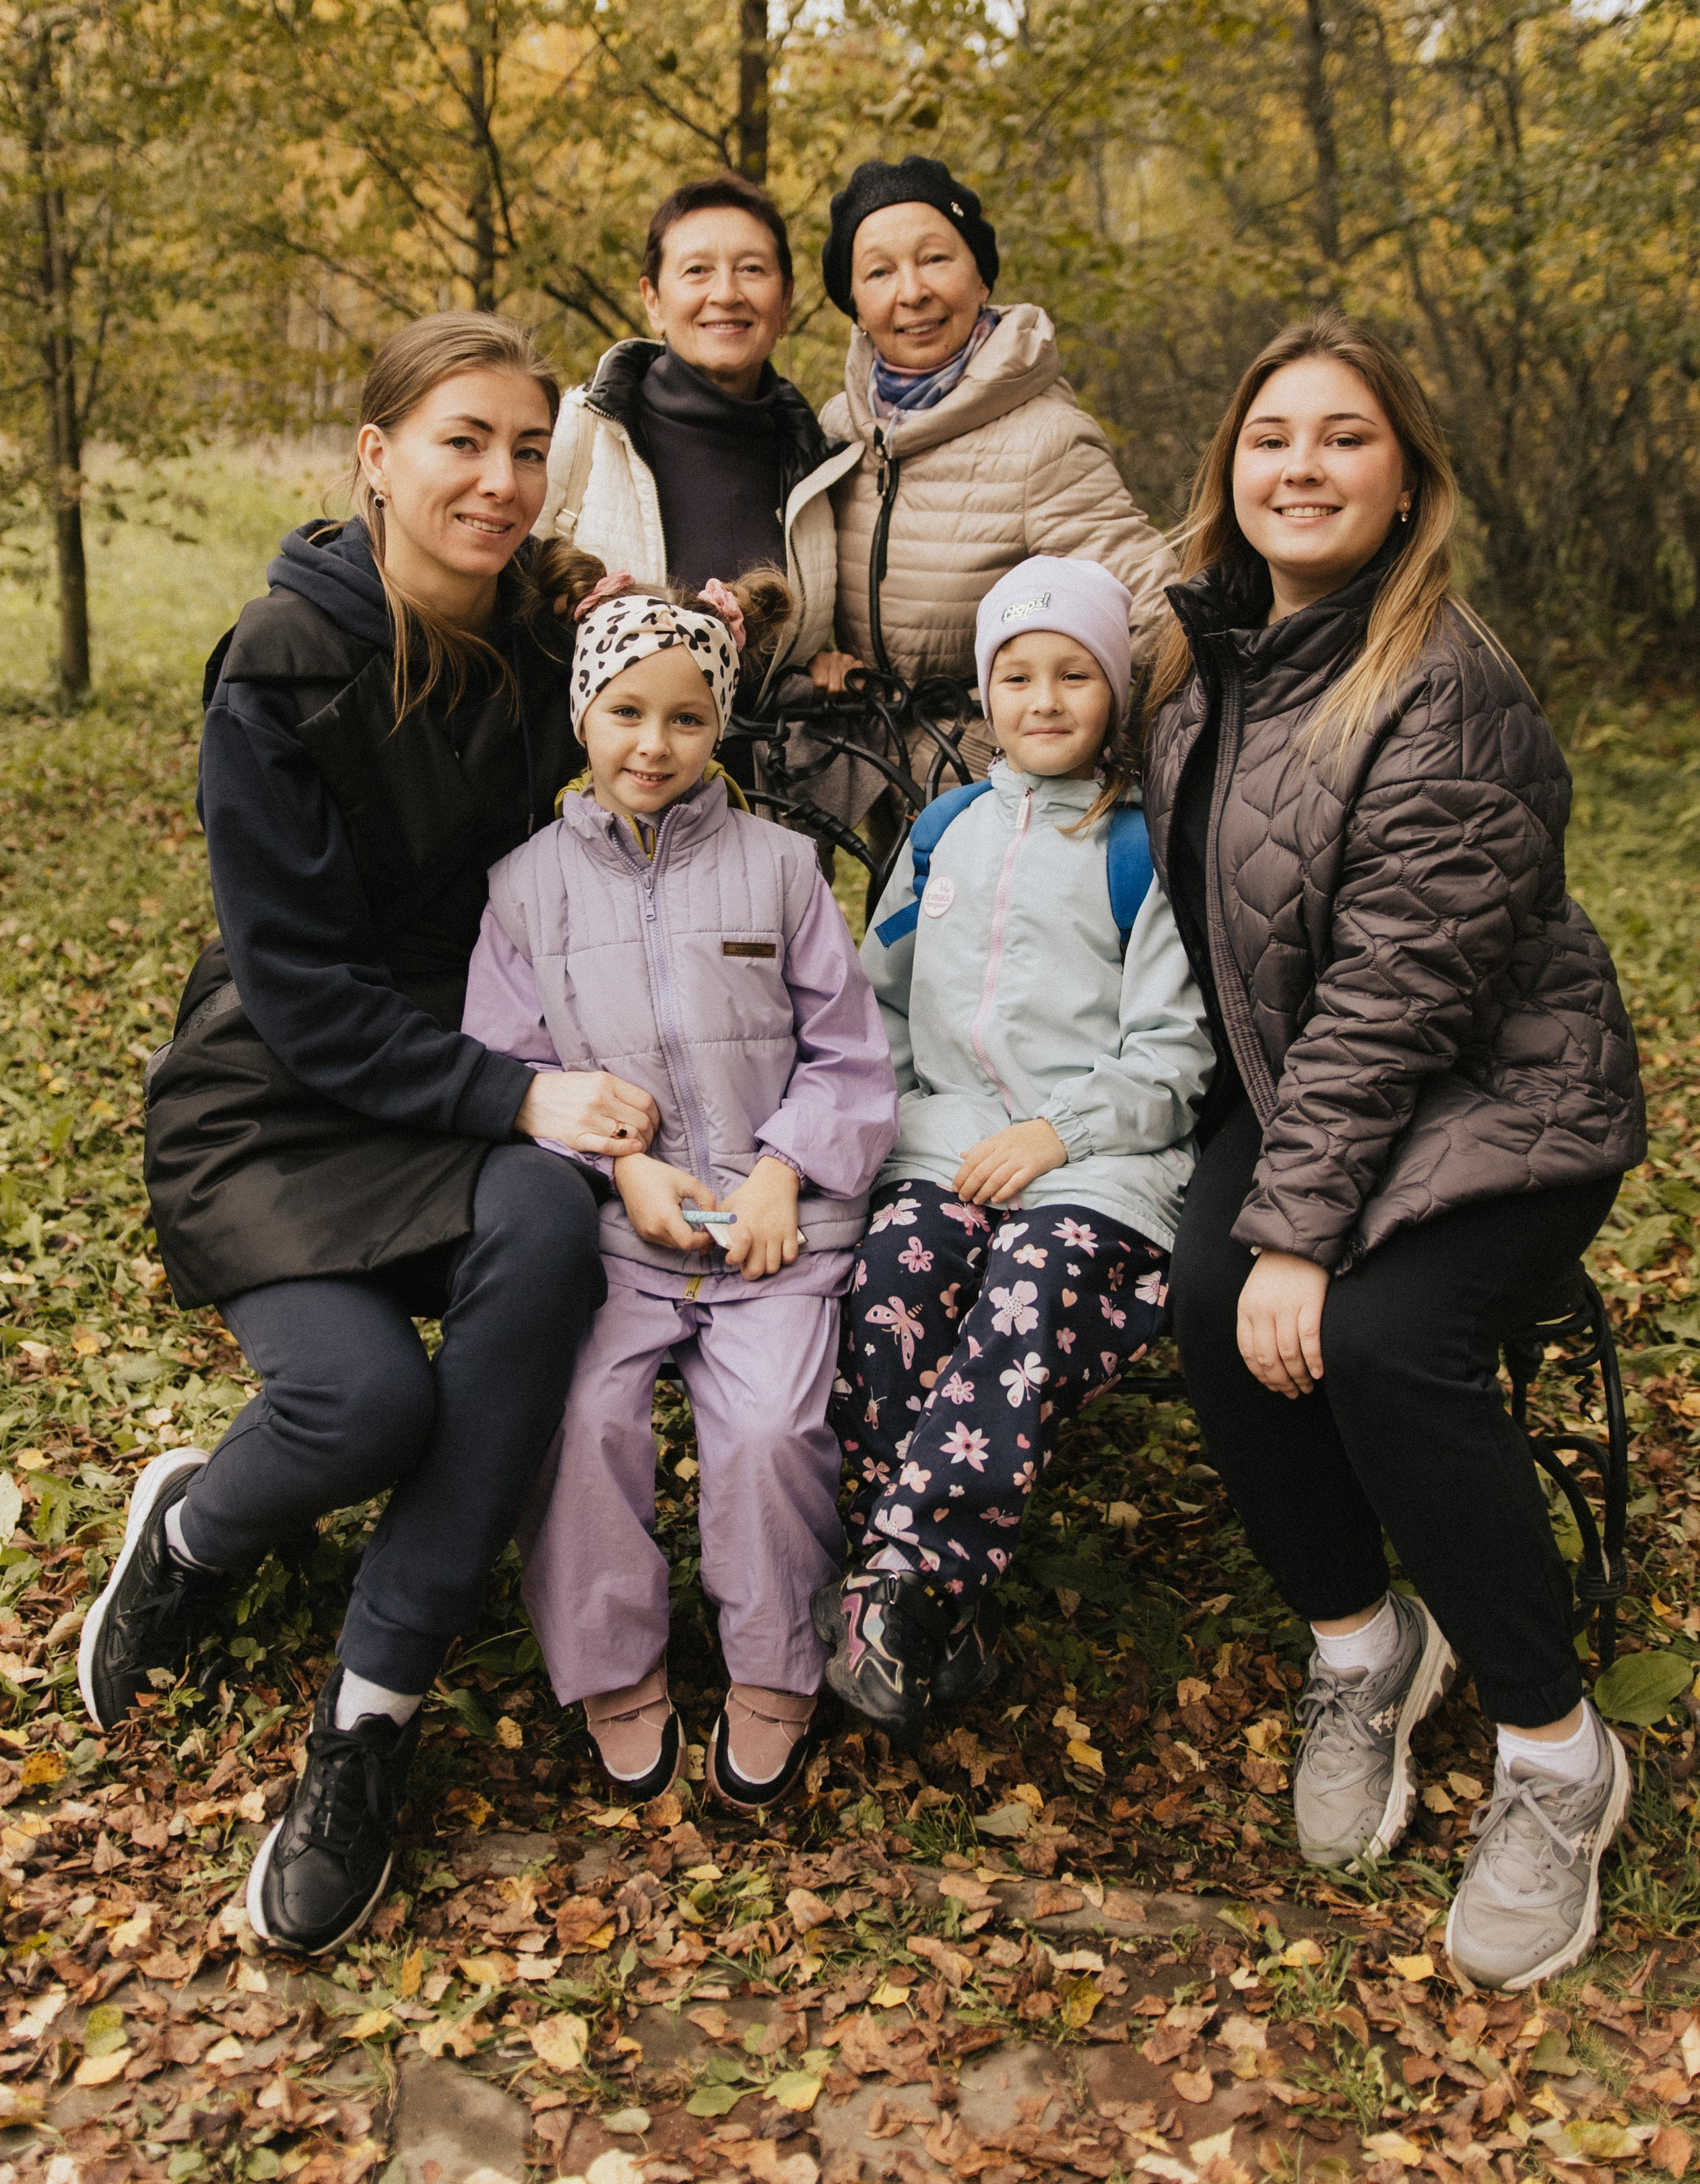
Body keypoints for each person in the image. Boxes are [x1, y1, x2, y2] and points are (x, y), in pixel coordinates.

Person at [90, 312, 648, 1958]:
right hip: (278, 1086)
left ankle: (370, 1717)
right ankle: (198, 1527)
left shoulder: (549, 639)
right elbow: (307, 989)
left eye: (527, 447)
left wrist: (645, 626)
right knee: (364, 1401)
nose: (497, 476)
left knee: (548, 1220)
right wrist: (520, 1092)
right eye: (461, 439)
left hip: (451, 1065)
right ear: (376, 457)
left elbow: (663, 720)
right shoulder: (281, 661)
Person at [1146, 310, 1645, 1993]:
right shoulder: (1208, 652)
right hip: (1335, 1093)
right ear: (1226, 465)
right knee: (1201, 1283)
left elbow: (1395, 990)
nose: (1300, 463)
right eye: (1270, 433)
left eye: (1343, 435)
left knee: (1374, 1336)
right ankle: (1364, 1642)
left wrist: (1301, 1224)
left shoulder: (1441, 682)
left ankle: (1556, 1750)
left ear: (1406, 475)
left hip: (1505, 1099)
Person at [462, 563, 898, 1810]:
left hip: (773, 1232)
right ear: (583, 716)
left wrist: (782, 1172)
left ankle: (773, 1666)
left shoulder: (777, 871)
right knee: (580, 1417)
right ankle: (611, 1663)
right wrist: (620, 1167)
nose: (653, 744)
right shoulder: (524, 888)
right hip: (620, 1232)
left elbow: (849, 1053)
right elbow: (512, 1066)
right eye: (625, 713)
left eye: (687, 717)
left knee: (769, 1429)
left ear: (721, 725)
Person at [814, 556, 1213, 1738]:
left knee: (1030, 1283)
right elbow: (870, 1008)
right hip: (944, 1141)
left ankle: (906, 1583)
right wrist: (886, 1128)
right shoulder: (940, 834)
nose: (1042, 699)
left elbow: (1174, 1050)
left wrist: (1059, 1134)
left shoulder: (1138, 849)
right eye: (1016, 675)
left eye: (1072, 675)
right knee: (890, 1276)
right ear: (985, 694)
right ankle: (940, 1609)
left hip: (1097, 1160)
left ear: (1113, 691)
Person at [810, 156, 1177, 727]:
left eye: (935, 259)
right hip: (872, 782)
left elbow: (1157, 616)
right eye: (880, 273)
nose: (913, 292)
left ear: (980, 278)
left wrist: (1083, 743)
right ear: (854, 306)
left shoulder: (1044, 440)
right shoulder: (839, 431)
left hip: (998, 789)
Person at [537, 174, 857, 697]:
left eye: (752, 269)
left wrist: (819, 671)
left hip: (765, 779)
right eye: (697, 271)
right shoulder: (576, 433)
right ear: (654, 300)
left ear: (786, 302)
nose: (726, 293)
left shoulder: (820, 468)